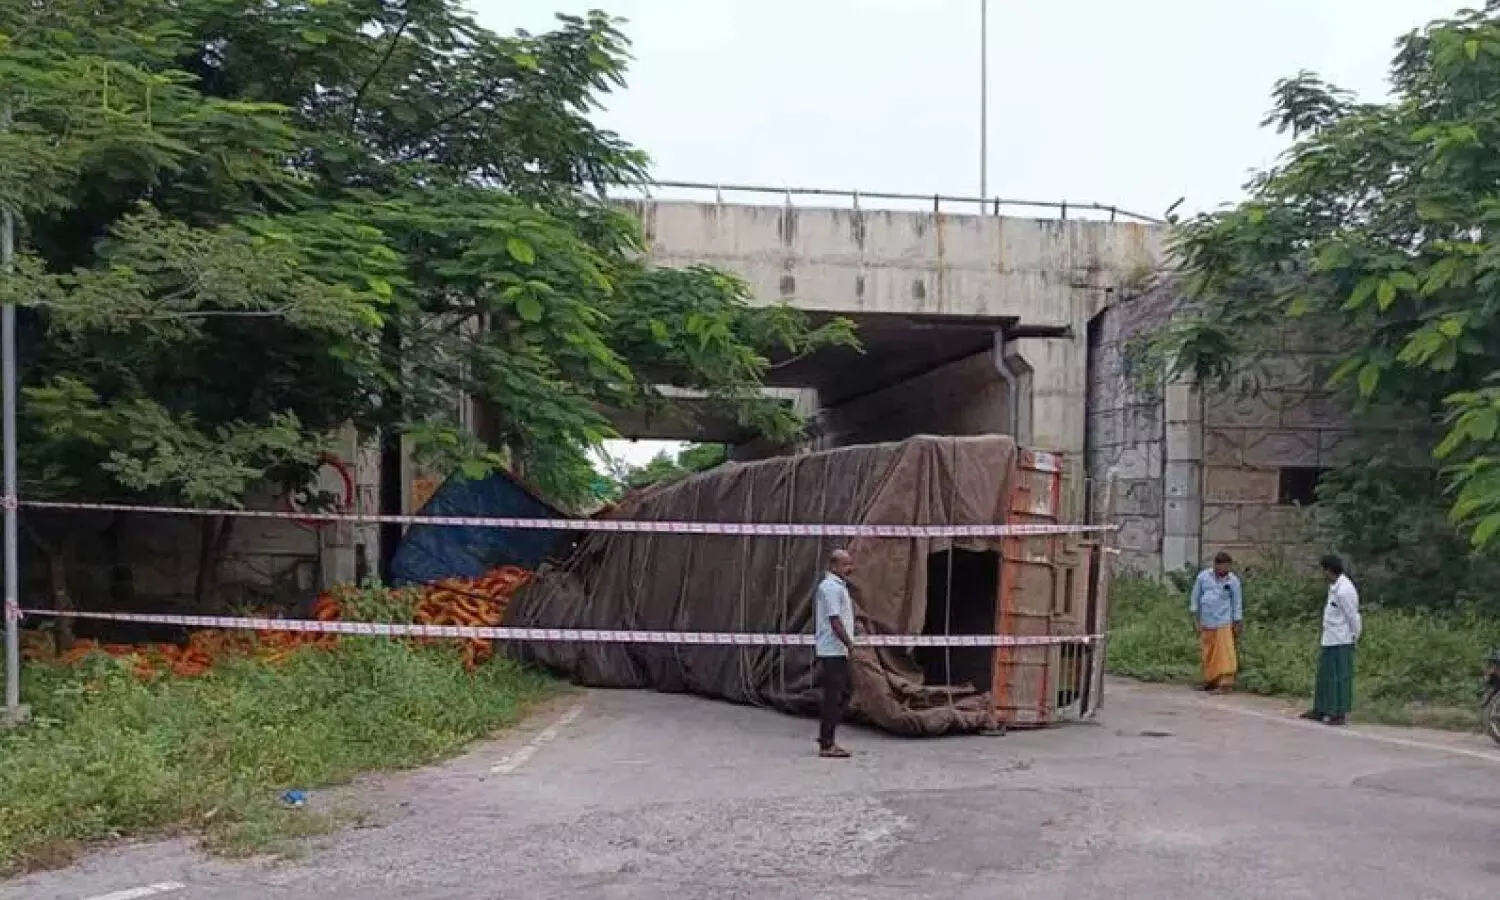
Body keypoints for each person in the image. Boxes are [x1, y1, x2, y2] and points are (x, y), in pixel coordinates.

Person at [1303, 554, 1361, 726]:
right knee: (1325, 676)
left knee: (1339, 677)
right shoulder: (1334, 587)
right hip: (1329, 638)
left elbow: (1353, 616)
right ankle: (1321, 709)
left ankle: (1338, 712)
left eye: (1324, 571)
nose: (1323, 575)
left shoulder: (1345, 590)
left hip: (1341, 639)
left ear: (1329, 570)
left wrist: (1354, 636)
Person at [814, 548, 857, 758]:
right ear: (833, 565)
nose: (850, 568)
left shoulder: (837, 586)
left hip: (836, 649)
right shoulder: (831, 588)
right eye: (845, 564)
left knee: (843, 692)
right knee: (834, 696)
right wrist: (849, 643)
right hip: (832, 650)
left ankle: (826, 735)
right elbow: (834, 620)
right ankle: (827, 743)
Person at [1189, 551, 1243, 693]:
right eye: (1221, 567)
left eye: (1227, 567)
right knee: (1208, 652)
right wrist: (1195, 619)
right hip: (1206, 621)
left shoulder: (1233, 581)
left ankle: (1225, 684)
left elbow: (1237, 602)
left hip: (1224, 622)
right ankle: (1211, 680)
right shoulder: (1203, 577)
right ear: (1215, 565)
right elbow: (1195, 598)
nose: (1224, 570)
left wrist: (1237, 622)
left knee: (1225, 653)